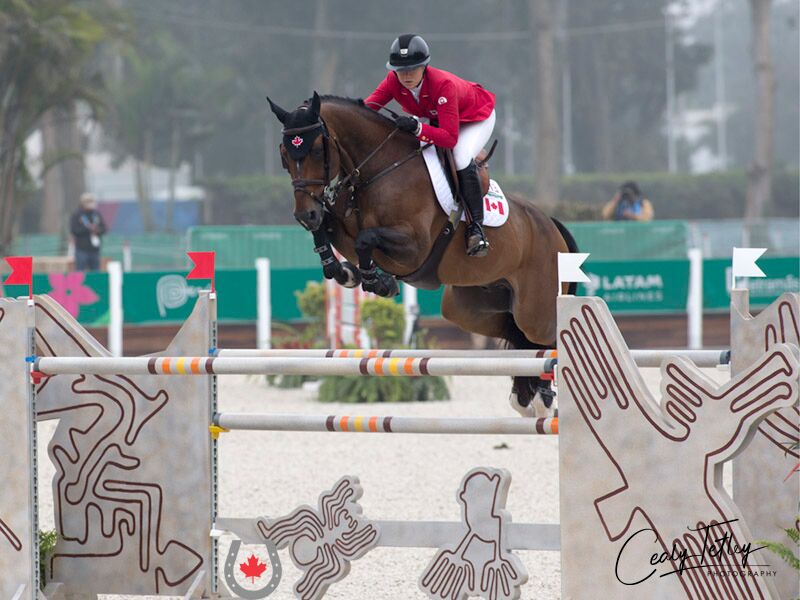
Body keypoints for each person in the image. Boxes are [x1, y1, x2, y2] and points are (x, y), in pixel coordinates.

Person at [365, 34, 496, 257]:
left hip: (476, 118)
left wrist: (417, 128)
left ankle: (476, 229)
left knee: (461, 155)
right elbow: (368, 109)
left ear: (424, 67)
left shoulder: (442, 85)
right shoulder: (392, 81)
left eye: (412, 69)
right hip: (443, 118)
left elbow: (449, 138)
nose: (405, 75)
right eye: (400, 69)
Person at [70, 193, 106, 271]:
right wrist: (87, 229)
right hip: (81, 249)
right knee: (80, 272)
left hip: (95, 250)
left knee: (96, 273)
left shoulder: (96, 214)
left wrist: (97, 230)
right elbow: (74, 230)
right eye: (88, 201)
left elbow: (104, 228)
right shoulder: (77, 215)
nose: (91, 204)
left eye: (92, 201)